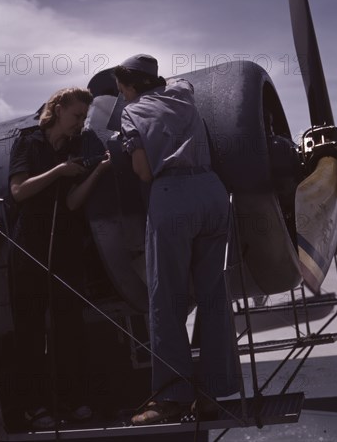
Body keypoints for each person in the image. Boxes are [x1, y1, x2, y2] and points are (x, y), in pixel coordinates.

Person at [114, 54, 239, 426]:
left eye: (122, 90)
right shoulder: (184, 93)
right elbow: (180, 83)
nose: (122, 98)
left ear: (131, 87)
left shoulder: (131, 112)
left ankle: (171, 397)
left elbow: (143, 171)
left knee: (165, 300)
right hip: (213, 193)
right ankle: (214, 394)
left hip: (172, 195)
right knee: (214, 294)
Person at [8, 87, 111, 429]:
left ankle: (72, 401)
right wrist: (57, 173)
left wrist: (96, 172)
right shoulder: (29, 142)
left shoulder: (75, 147)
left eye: (84, 118)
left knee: (70, 329)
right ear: (57, 110)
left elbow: (71, 203)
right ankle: (33, 407)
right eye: (76, 117)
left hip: (65, 248)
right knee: (31, 331)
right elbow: (19, 191)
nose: (80, 124)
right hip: (29, 248)